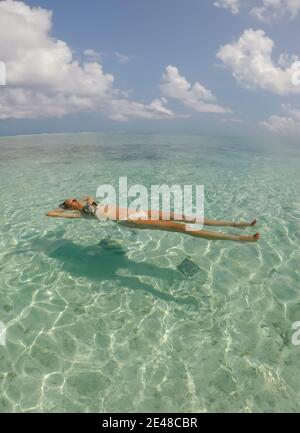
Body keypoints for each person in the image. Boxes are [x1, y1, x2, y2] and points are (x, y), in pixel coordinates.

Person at [46, 196, 260, 242]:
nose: (75, 199)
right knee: (182, 227)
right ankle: (239, 239)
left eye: (73, 198)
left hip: (137, 211)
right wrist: (63, 209)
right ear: (69, 206)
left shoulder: (88, 204)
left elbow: (89, 198)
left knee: (185, 216)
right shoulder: (80, 213)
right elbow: (50, 214)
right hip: (132, 220)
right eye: (70, 200)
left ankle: (235, 224)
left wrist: (82, 201)